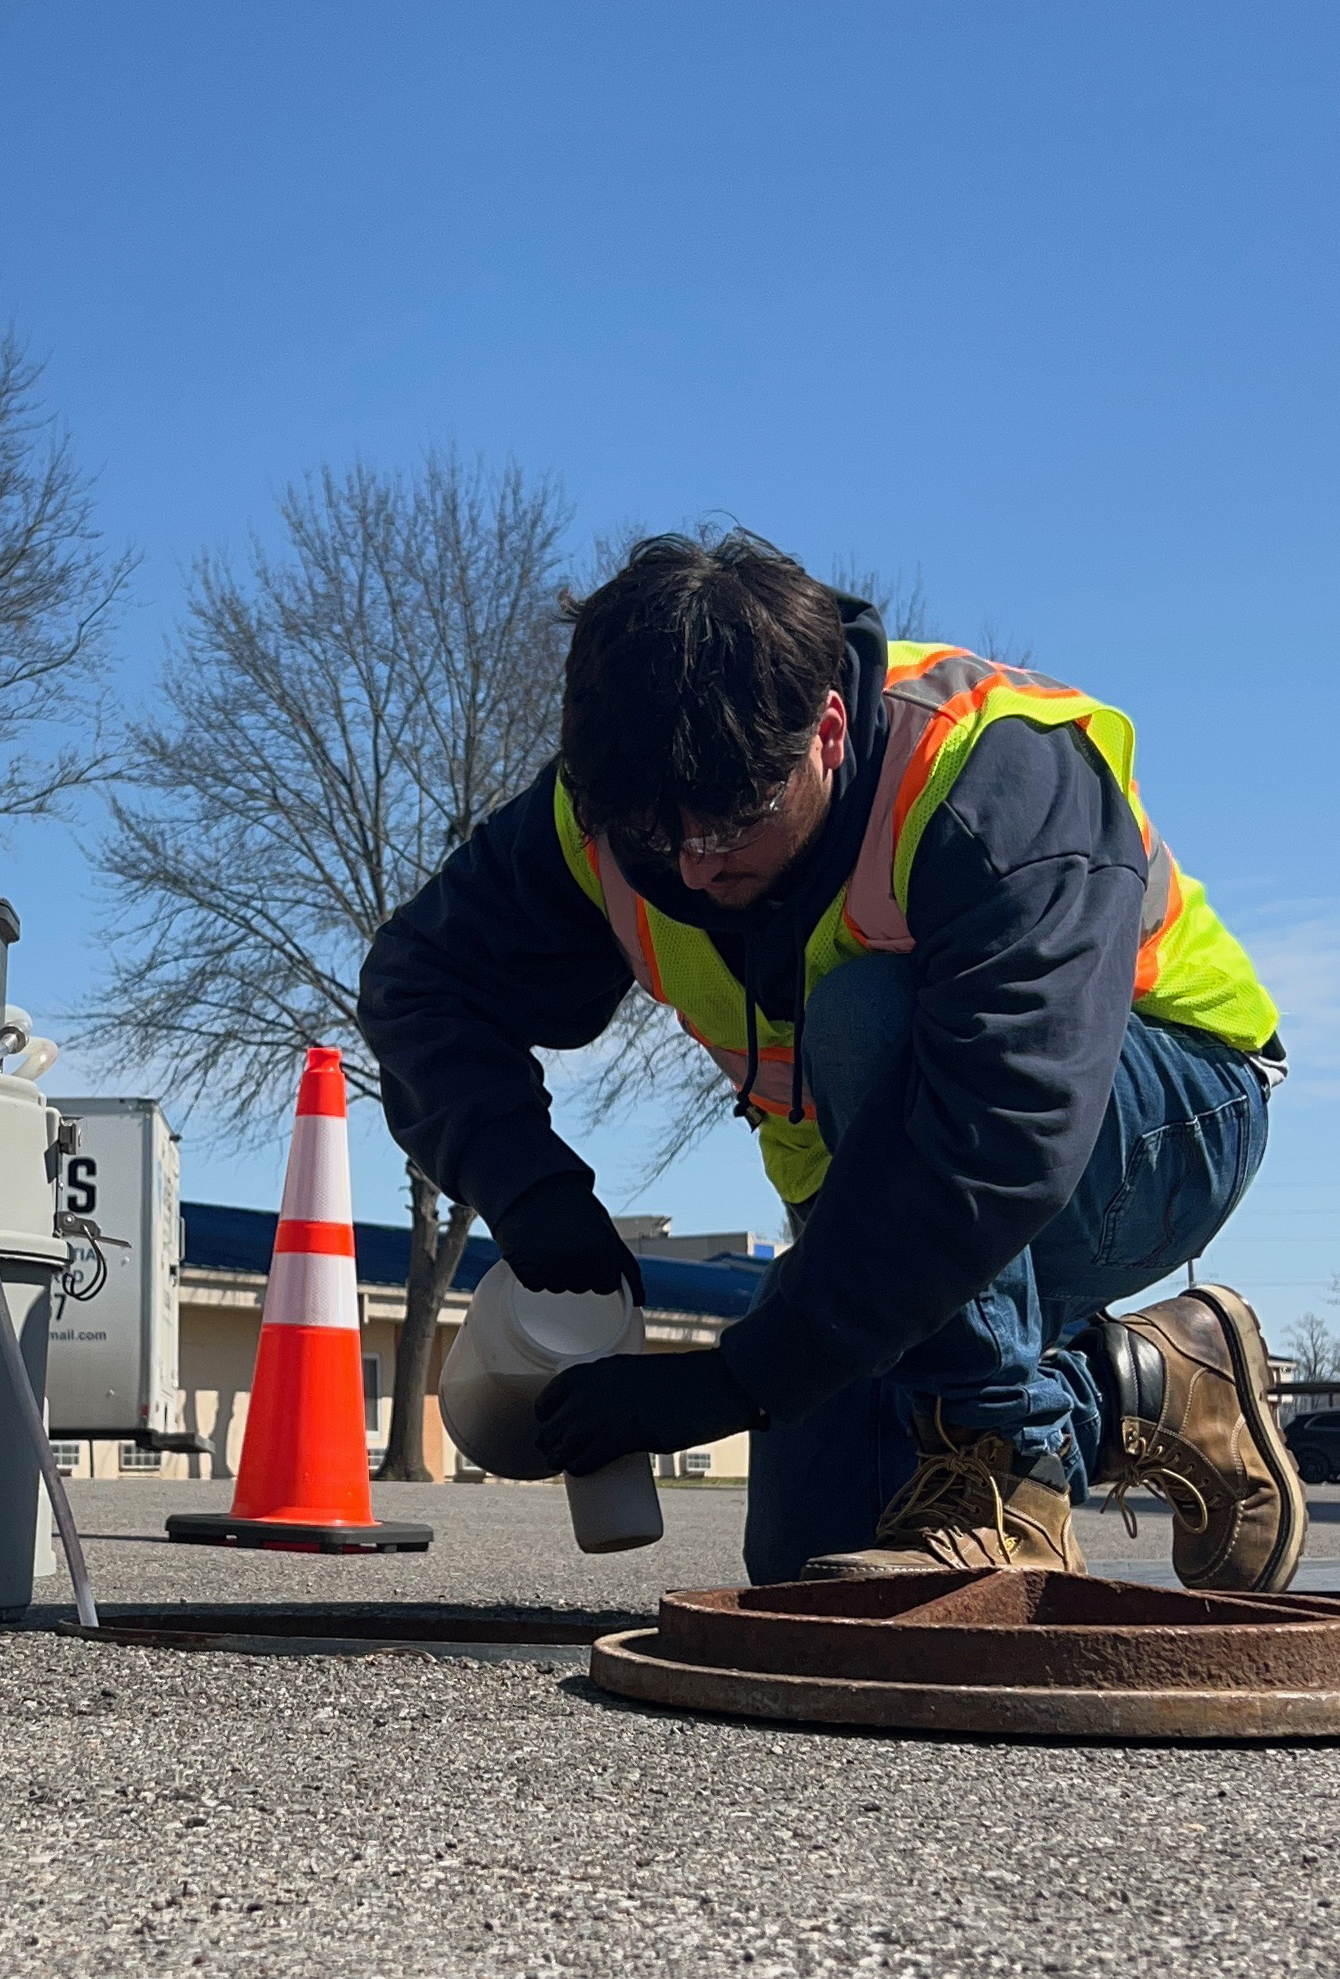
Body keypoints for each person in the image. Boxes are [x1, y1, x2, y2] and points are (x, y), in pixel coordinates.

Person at [358, 533, 1298, 1585]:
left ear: (828, 731)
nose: (693, 868)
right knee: (809, 1579)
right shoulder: (607, 810)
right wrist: (530, 1195)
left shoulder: (987, 772)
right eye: (654, 841)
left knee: (865, 1013)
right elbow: (417, 984)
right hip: (881, 1197)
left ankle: (1003, 1465)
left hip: (1159, 1126)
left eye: (730, 823)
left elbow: (999, 1136)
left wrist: (738, 1380)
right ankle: (1150, 1385)